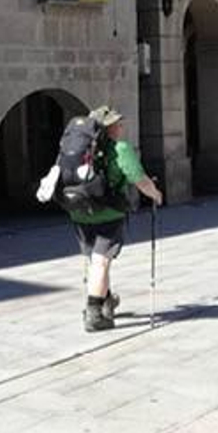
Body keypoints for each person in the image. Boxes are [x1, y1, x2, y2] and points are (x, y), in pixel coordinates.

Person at [67, 106, 164, 332]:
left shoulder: (79, 151)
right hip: (108, 213)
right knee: (101, 261)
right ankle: (94, 314)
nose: (121, 127)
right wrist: (155, 195)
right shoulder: (121, 149)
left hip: (79, 211)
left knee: (95, 261)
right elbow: (138, 178)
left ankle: (106, 300)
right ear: (109, 128)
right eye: (118, 124)